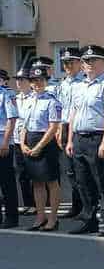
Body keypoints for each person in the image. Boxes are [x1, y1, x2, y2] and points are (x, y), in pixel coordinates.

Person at [66, 45, 104, 236]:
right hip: (79, 138)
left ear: (102, 63)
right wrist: (70, 140)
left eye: (93, 60)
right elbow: (73, 113)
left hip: (97, 138)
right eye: (85, 61)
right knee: (83, 182)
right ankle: (89, 219)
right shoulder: (78, 86)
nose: (89, 64)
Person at [21, 65, 63, 231]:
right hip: (29, 140)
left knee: (51, 182)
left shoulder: (52, 101)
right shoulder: (28, 100)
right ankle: (40, 216)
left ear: (46, 81)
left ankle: (53, 218)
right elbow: (23, 124)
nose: (37, 83)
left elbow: (53, 127)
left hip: (45, 142)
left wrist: (39, 146)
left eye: (40, 80)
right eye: (34, 80)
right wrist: (23, 143)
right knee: (37, 182)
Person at [55, 47, 85, 220]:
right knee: (70, 170)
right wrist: (59, 129)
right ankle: (77, 204)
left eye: (70, 62)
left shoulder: (83, 83)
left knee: (82, 169)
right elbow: (60, 109)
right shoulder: (63, 84)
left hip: (78, 128)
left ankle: (89, 204)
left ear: (79, 63)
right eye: (65, 63)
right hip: (65, 126)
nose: (67, 66)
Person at [12, 69, 35, 215]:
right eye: (17, 79)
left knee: (34, 173)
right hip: (16, 139)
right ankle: (27, 203)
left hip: (29, 138)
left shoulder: (34, 98)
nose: (19, 82)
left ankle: (36, 203)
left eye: (22, 79)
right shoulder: (15, 98)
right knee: (21, 173)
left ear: (29, 82)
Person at [0, 69, 19, 228]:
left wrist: (5, 143)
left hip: (2, 143)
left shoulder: (6, 94)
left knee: (7, 181)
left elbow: (11, 120)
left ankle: (11, 217)